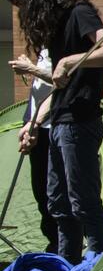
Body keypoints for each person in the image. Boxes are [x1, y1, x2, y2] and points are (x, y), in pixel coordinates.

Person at [4, 0, 103, 261]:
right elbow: (58, 90)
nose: (24, 14)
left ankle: (97, 268)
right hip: (59, 121)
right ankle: (65, 268)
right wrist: (34, 123)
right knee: (57, 205)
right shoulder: (56, 27)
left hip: (80, 123)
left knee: (83, 203)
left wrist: (70, 60)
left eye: (24, 5)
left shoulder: (79, 12)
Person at [7, 22, 61, 255]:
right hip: (36, 127)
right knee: (40, 190)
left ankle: (64, 246)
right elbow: (39, 92)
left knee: (55, 191)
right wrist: (29, 122)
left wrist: (30, 68)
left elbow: (64, 81)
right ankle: (52, 242)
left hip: (54, 127)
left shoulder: (63, 47)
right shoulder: (43, 51)